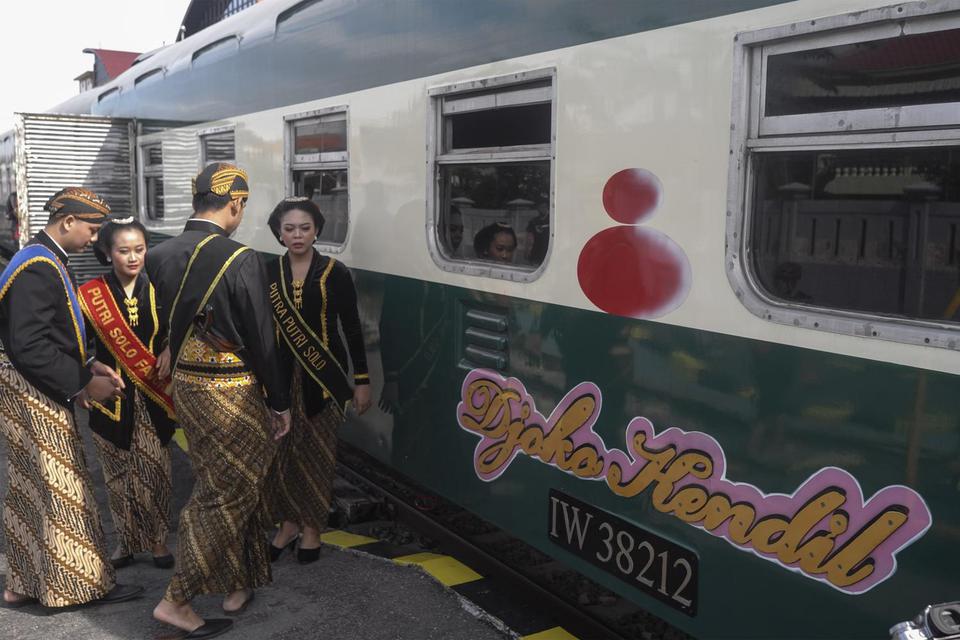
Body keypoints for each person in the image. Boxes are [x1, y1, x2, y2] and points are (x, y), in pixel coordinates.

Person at [146, 164, 291, 639]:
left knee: (225, 479)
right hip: (231, 391)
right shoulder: (242, 258)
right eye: (242, 206)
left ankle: (238, 581)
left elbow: (164, 323)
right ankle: (177, 599)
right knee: (227, 491)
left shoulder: (159, 254)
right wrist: (280, 400)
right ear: (235, 203)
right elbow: (262, 338)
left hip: (186, 386)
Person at [0, 187, 143, 608]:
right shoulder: (39, 267)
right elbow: (29, 345)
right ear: (67, 223)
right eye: (92, 229)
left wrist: (89, 363)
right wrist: (82, 382)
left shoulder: (41, 257)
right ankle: (74, 588)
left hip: (30, 381)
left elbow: (51, 330)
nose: (95, 239)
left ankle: (22, 584)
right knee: (62, 485)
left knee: (29, 486)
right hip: (33, 385)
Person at [264, 197, 371, 564]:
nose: (297, 235)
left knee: (318, 455)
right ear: (279, 232)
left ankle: (312, 528)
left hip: (323, 379)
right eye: (290, 228)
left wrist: (361, 380)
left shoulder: (334, 272)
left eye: (305, 228)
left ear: (317, 231)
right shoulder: (269, 271)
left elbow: (352, 329)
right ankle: (288, 524)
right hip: (279, 379)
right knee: (282, 455)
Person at [78, 218, 177, 571]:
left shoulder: (161, 288)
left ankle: (158, 539)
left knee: (156, 469)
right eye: (124, 251)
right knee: (116, 471)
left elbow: (179, 328)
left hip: (153, 395)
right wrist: (88, 367)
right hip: (112, 398)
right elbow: (77, 344)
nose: (133, 257)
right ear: (107, 252)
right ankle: (126, 540)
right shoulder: (90, 293)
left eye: (139, 249)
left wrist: (170, 349)